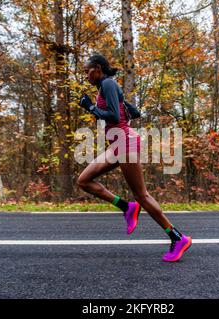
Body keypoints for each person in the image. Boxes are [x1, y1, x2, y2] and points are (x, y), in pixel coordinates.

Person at [77, 54, 192, 262]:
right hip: (118, 143)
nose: (86, 75)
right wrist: (121, 105)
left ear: (97, 68)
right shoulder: (107, 88)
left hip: (125, 143)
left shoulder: (108, 84)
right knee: (83, 180)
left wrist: (90, 107)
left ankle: (178, 237)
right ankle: (126, 207)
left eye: (87, 71)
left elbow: (112, 115)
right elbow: (135, 113)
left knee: (142, 195)